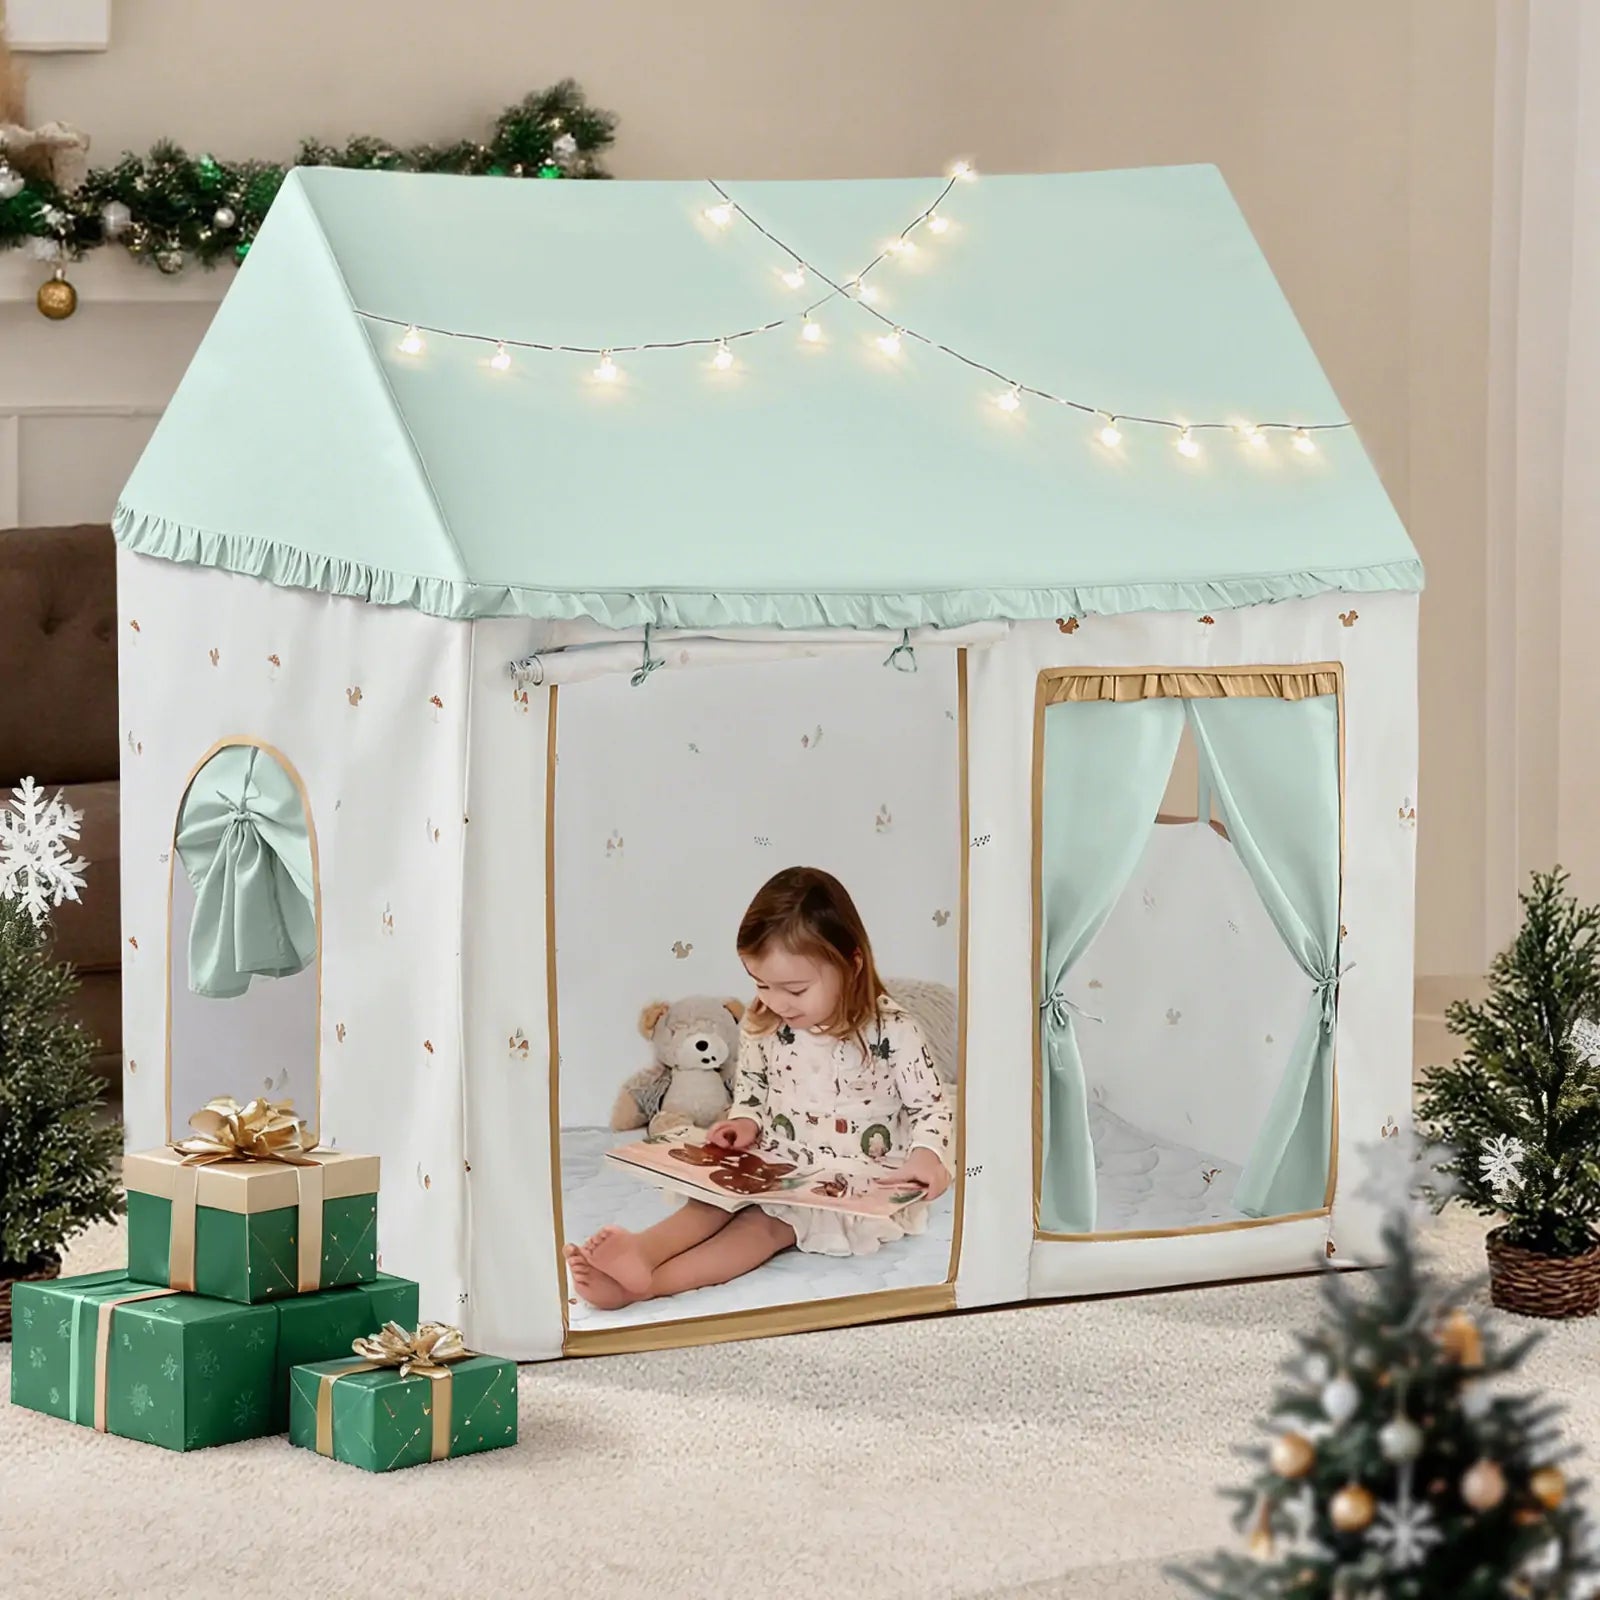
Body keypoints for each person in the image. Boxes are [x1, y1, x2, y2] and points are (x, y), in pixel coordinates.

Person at [565, 866, 954, 1309]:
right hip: (776, 1160)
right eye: (761, 983)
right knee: (709, 1204)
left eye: (795, 989)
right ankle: (640, 1251)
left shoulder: (894, 1032)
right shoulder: (765, 1022)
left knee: (760, 1230)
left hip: (847, 1181)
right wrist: (745, 1119)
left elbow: (932, 1108)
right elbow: (752, 1085)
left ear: (851, 963)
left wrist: (928, 1154)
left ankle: (648, 1285)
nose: (775, 1001)